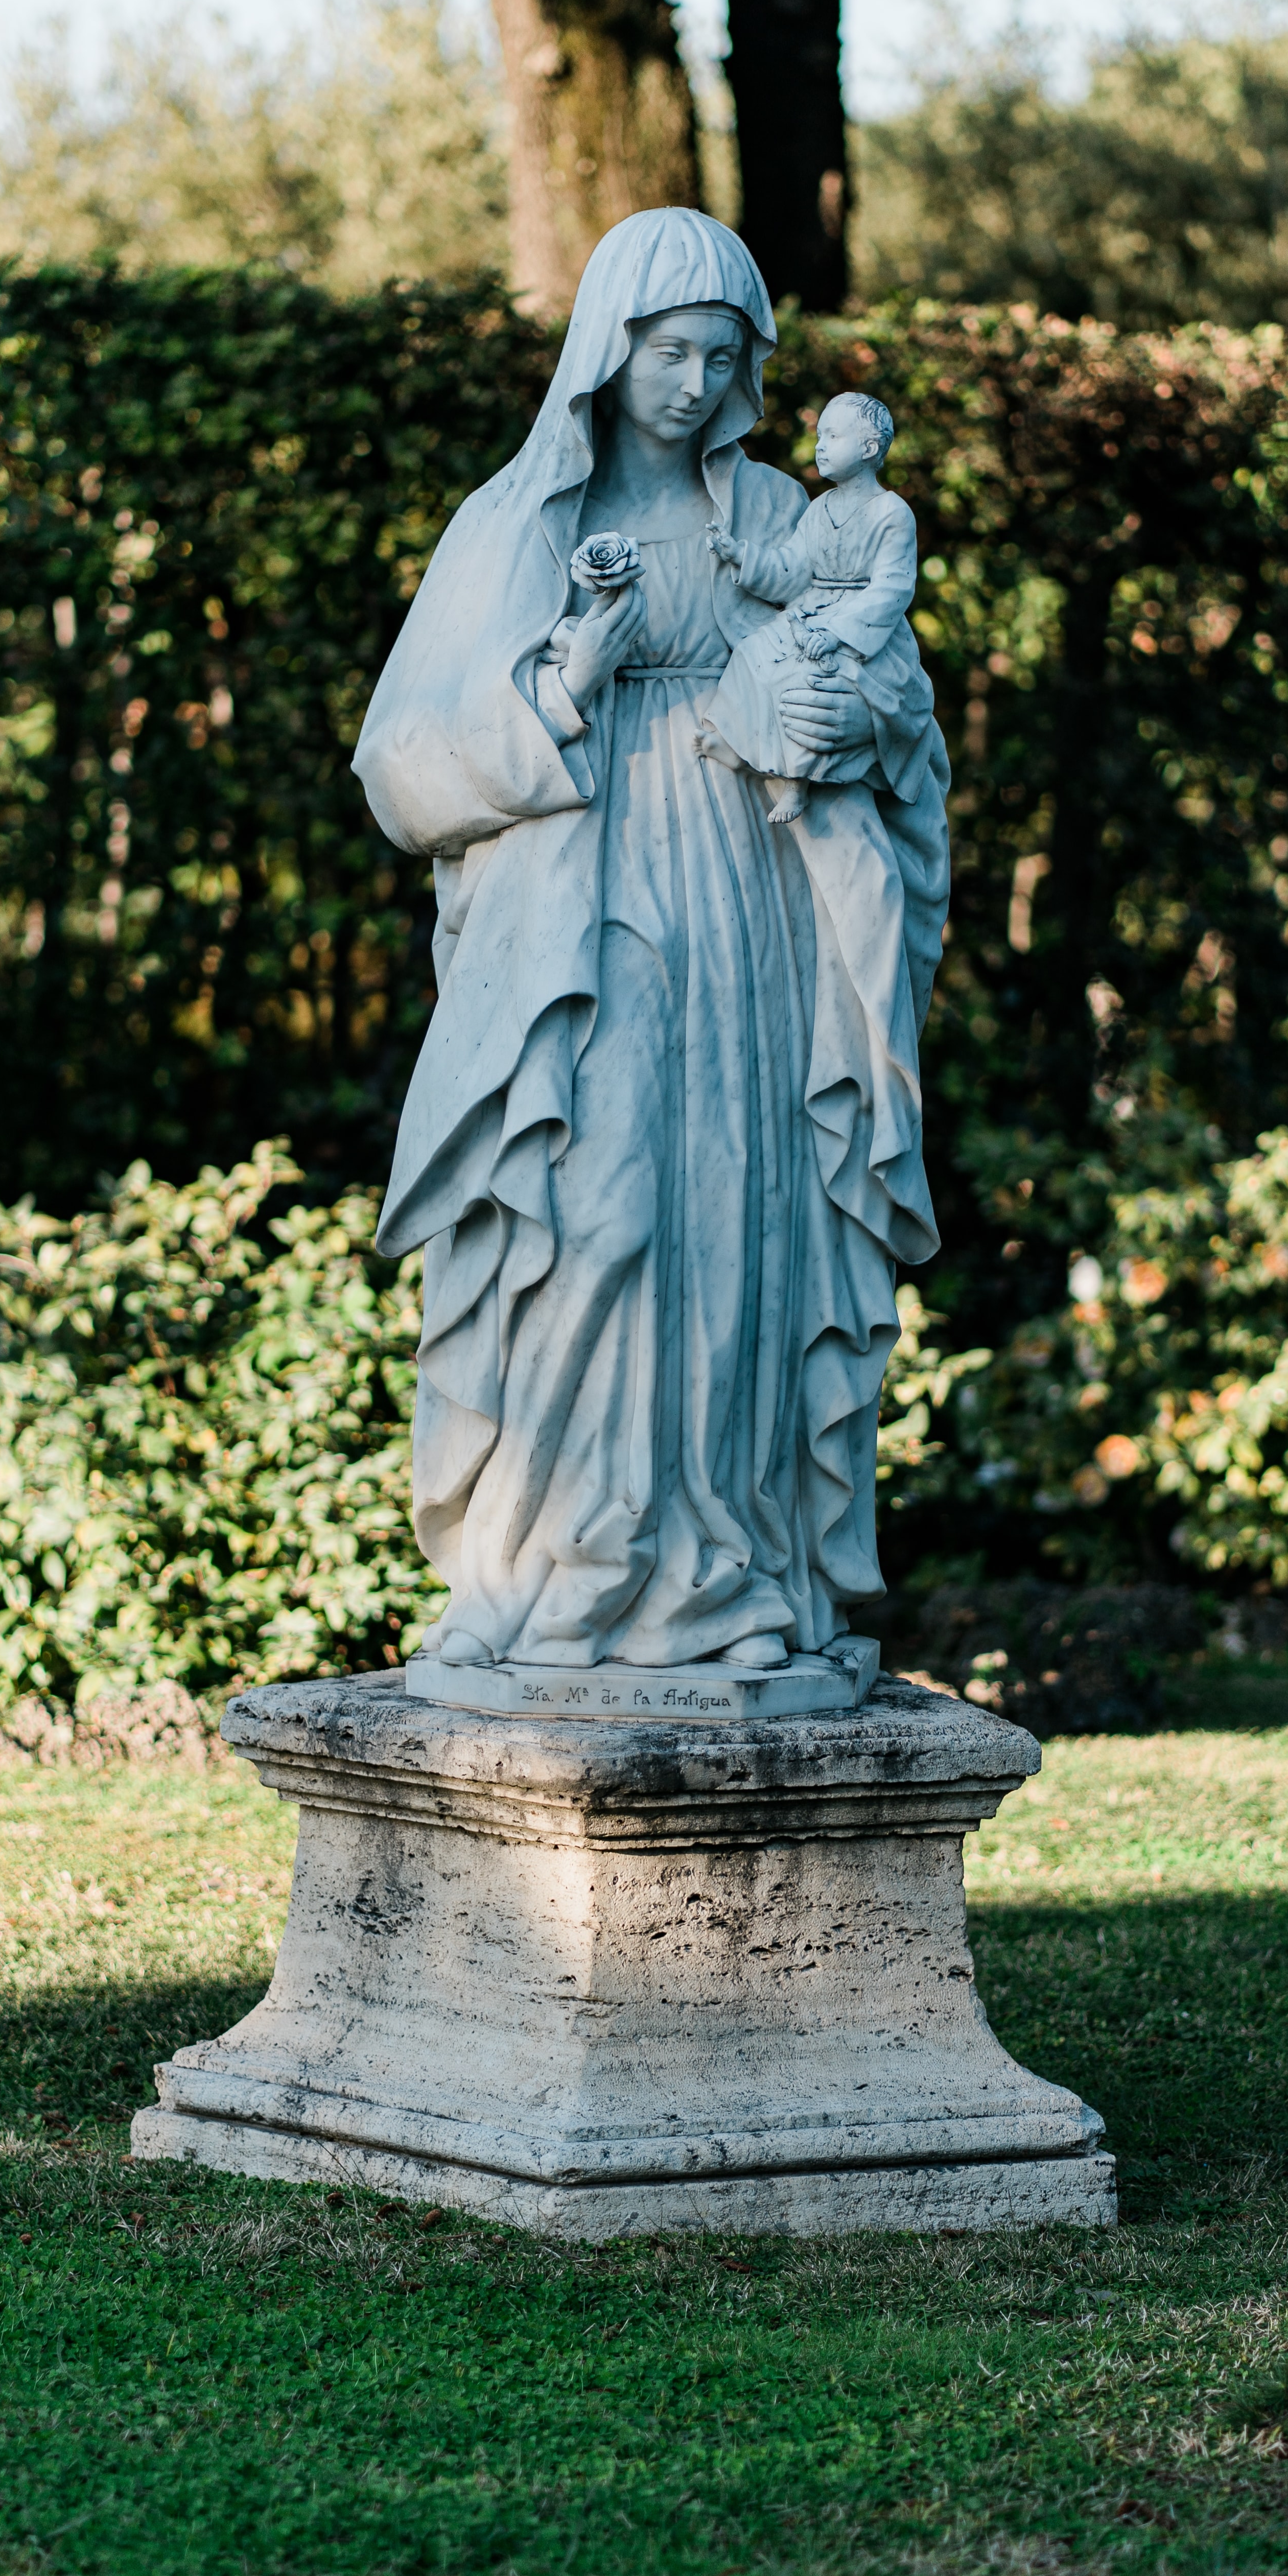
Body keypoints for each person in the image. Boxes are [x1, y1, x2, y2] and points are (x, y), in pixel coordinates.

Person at [352, 209, 950, 1675]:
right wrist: (565, 688)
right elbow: (404, 764)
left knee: (739, 1220)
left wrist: (849, 726)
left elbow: (895, 703)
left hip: (750, 893)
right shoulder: (521, 524)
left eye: (723, 356)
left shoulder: (783, 518)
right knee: (594, 1208)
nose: (693, 382)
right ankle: (555, 1564)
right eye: (669, 350)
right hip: (582, 898)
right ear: (609, 350)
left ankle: (735, 1576)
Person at [701, 390, 923, 826]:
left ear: (869, 448)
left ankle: (797, 782)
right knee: (752, 655)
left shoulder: (892, 513)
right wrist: (740, 554)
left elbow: (891, 589)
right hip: (811, 610)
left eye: (833, 436)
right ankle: (741, 741)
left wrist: (838, 634)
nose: (819, 445)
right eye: (819, 435)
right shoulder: (819, 508)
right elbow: (792, 568)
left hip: (859, 628)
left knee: (812, 682)